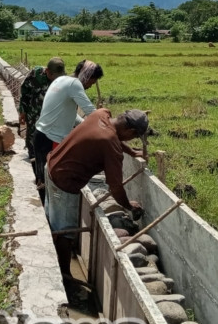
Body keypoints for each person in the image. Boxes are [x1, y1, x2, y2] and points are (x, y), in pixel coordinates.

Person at [45, 108, 149, 277]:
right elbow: (115, 186)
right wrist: (128, 205)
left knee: (52, 220)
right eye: (134, 137)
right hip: (64, 183)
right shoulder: (110, 144)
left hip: (51, 166)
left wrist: (131, 151)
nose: (132, 140)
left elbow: (111, 136)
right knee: (66, 232)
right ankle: (64, 275)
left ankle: (53, 259)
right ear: (129, 131)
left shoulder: (101, 114)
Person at [33, 60, 103, 197]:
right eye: (92, 82)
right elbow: (91, 111)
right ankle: (53, 216)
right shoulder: (75, 84)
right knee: (54, 186)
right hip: (51, 139)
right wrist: (108, 124)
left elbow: (69, 114)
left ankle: (46, 213)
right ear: (86, 76)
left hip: (40, 136)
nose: (90, 86)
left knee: (44, 181)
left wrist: (84, 124)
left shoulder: (61, 81)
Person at [17, 57, 66, 202]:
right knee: (33, 143)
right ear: (47, 71)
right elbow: (24, 92)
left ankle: (45, 176)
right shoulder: (35, 75)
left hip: (51, 120)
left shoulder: (62, 79)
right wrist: (23, 111)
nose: (55, 79)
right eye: (53, 76)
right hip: (34, 116)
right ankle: (37, 174)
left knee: (48, 148)